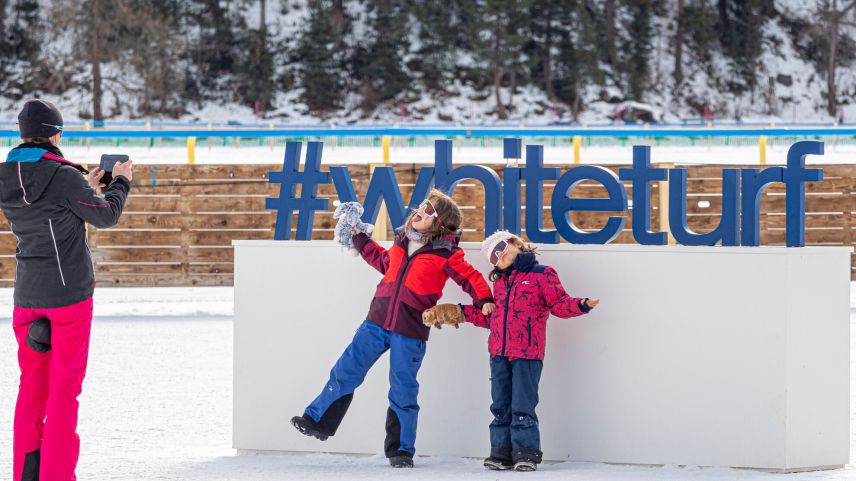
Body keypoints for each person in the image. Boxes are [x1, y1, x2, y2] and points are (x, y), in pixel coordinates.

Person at [290, 189, 495, 468]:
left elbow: (470, 278)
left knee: (402, 389)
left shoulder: (447, 254)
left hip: (410, 331)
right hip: (375, 322)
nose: (420, 211)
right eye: (422, 205)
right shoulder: (401, 243)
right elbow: (384, 263)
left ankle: (400, 449)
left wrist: (483, 299)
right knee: (345, 370)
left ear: (440, 224)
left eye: (429, 211)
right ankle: (317, 421)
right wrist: (361, 239)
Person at [0, 99, 134, 481]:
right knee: (63, 393)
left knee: (31, 391)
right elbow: (105, 215)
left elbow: (49, 207)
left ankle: (26, 475)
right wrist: (120, 181)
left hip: (27, 297)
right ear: (56, 134)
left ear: (23, 134)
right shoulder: (63, 176)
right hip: (69, 298)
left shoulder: (8, 175)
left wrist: (86, 187)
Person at [423, 230, 599, 472]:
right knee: (500, 405)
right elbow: (493, 318)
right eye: (493, 258)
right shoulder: (500, 283)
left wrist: (580, 305)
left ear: (515, 243)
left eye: (501, 249)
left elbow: (558, 303)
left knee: (522, 404)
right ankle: (501, 453)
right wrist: (459, 312)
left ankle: (526, 453)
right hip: (498, 352)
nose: (500, 257)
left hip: (527, 352)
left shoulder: (542, 274)